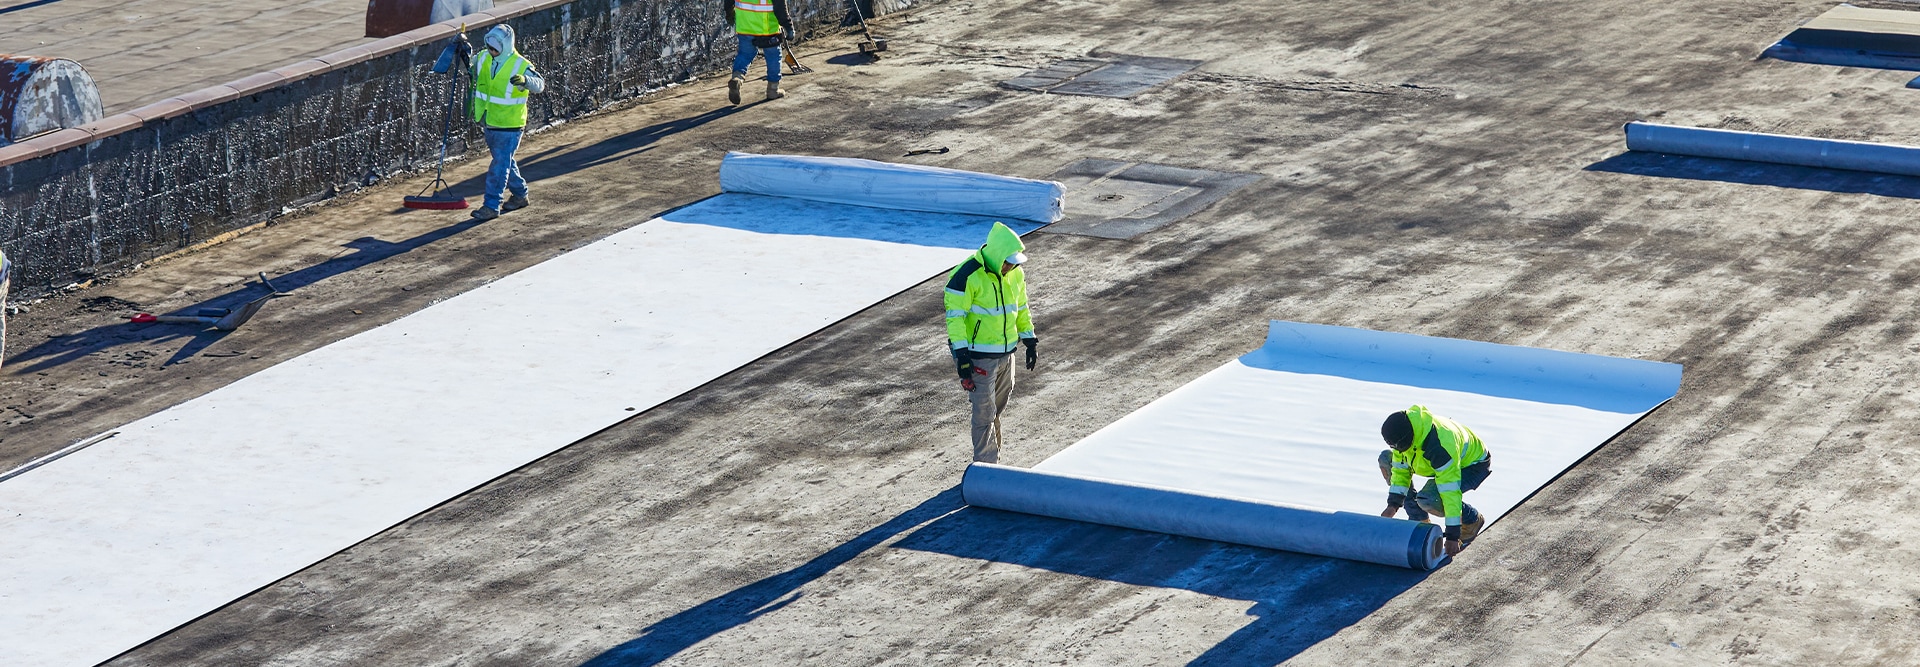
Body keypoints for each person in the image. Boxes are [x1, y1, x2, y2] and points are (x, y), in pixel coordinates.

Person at [945, 222, 1038, 464]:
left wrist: (1029, 338)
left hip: (1007, 354)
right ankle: (987, 468)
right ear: (996, 255)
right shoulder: (966, 276)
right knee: (984, 413)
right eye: (1008, 261)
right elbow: (955, 319)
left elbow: (1021, 306)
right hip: (978, 358)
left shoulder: (1015, 272)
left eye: (1014, 262)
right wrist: (962, 357)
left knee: (997, 407)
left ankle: (993, 461)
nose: (1011, 266)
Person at [1378, 405, 1492, 556]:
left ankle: (1472, 520)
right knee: (1387, 459)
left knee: (1430, 498)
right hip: (1430, 462)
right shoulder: (1404, 432)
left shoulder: (1440, 446)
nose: (1397, 451)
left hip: (1471, 466)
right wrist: (1393, 505)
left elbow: (1450, 491)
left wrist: (1452, 535)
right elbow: (1400, 471)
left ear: (1407, 440)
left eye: (1398, 447)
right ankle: (1419, 520)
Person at [467, 24, 546, 221]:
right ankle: (520, 195)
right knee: (505, 162)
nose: (492, 52)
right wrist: (463, 50)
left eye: (495, 49)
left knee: (499, 166)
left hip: (510, 125)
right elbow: (470, 67)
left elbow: (540, 84)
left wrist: (525, 80)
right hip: (490, 120)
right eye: (489, 47)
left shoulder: (520, 64)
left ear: (506, 46)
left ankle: (491, 205)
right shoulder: (484, 57)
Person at [724, 0, 792, 104]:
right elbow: (780, 6)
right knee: (773, 56)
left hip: (745, 26)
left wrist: (729, 12)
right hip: (767, 28)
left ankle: (737, 78)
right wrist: (788, 27)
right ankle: (773, 90)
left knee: (745, 54)